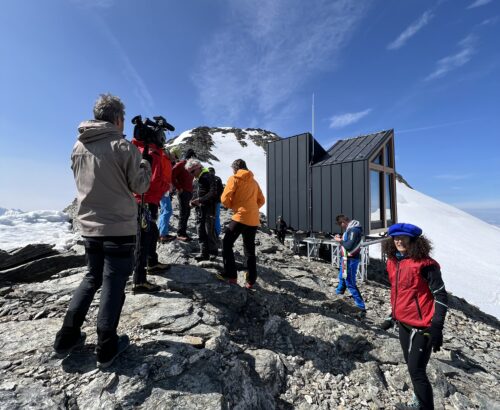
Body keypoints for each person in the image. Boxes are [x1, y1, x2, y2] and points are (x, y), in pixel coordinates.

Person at [53, 93, 151, 368]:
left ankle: (66, 337)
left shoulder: (78, 146)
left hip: (89, 226)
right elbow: (140, 186)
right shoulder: (123, 147)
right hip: (119, 227)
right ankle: (106, 346)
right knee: (113, 282)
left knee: (92, 277)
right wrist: (145, 165)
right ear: (119, 119)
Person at [382, 223, 448, 410]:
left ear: (413, 240)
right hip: (403, 323)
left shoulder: (426, 265)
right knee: (412, 367)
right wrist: (392, 316)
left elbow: (441, 295)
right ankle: (418, 402)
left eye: (403, 237)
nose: (399, 241)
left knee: (417, 370)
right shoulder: (393, 261)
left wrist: (437, 326)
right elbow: (399, 292)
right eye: (396, 237)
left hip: (423, 326)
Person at [131, 125, 171, 293]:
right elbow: (152, 180)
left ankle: (152, 262)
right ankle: (139, 280)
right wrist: (165, 186)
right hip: (146, 200)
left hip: (144, 199)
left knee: (151, 232)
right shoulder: (151, 152)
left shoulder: (140, 149)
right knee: (143, 238)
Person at [220, 159, 265, 288]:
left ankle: (231, 276)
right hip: (253, 219)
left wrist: (231, 205)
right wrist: (253, 208)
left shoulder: (234, 178)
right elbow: (262, 200)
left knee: (227, 244)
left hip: (240, 216)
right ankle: (250, 281)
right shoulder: (254, 182)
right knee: (249, 249)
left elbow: (224, 198)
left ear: (235, 168)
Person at [186, 159, 218, 261]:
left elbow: (213, 192)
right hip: (199, 209)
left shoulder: (208, 176)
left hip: (209, 208)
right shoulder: (196, 179)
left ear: (198, 168)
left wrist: (200, 200)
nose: (191, 174)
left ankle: (213, 252)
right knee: (200, 230)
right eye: (190, 172)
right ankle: (203, 252)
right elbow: (195, 193)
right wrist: (192, 202)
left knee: (209, 230)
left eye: (192, 172)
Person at [334, 214, 366, 315]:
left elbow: (349, 245)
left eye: (340, 224)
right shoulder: (351, 229)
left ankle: (361, 307)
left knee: (350, 282)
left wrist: (340, 240)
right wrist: (342, 239)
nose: (341, 227)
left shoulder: (353, 230)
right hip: (346, 259)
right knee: (342, 277)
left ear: (343, 222)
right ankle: (338, 295)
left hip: (350, 260)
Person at [172, 148, 196, 241]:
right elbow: (172, 175)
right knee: (183, 213)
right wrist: (179, 188)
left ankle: (183, 232)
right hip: (183, 192)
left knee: (187, 213)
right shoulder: (181, 164)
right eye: (193, 157)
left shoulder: (190, 166)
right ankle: (180, 233)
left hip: (189, 192)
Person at [158, 148, 176, 242]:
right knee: (167, 211)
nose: (175, 159)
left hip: (164, 188)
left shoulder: (165, 159)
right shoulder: (163, 158)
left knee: (164, 210)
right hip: (163, 188)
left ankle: (159, 233)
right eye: (175, 156)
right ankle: (162, 235)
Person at [208, 167, 224, 236]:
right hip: (217, 201)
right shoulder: (218, 179)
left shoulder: (206, 179)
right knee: (216, 216)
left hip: (209, 201)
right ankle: (217, 232)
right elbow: (221, 190)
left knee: (209, 216)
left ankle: (210, 232)